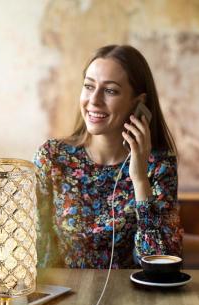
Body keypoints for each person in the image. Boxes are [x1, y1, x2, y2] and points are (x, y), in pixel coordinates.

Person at [33, 44, 183, 269]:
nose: (94, 100)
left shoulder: (158, 165)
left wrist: (140, 177)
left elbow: (159, 264)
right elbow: (37, 245)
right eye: (88, 86)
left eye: (110, 90)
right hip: (66, 297)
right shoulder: (53, 157)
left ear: (138, 102)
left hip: (133, 299)